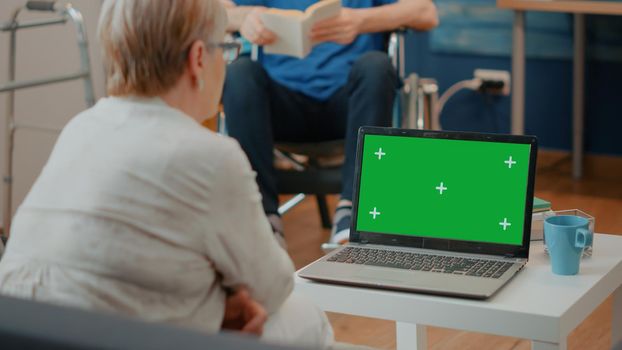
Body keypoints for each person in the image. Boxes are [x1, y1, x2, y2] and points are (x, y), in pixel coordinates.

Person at [0, 0, 332, 348]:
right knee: (306, 316)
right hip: (120, 337)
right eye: (225, 48)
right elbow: (273, 287)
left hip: (23, 332)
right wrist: (223, 308)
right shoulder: (211, 156)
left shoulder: (80, 127)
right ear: (199, 58)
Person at [222, 0, 438, 244]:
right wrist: (246, 17)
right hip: (281, 108)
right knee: (239, 72)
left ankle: (351, 209)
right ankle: (264, 217)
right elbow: (217, 12)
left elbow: (426, 12)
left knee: (377, 65)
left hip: (350, 107)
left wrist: (360, 21)